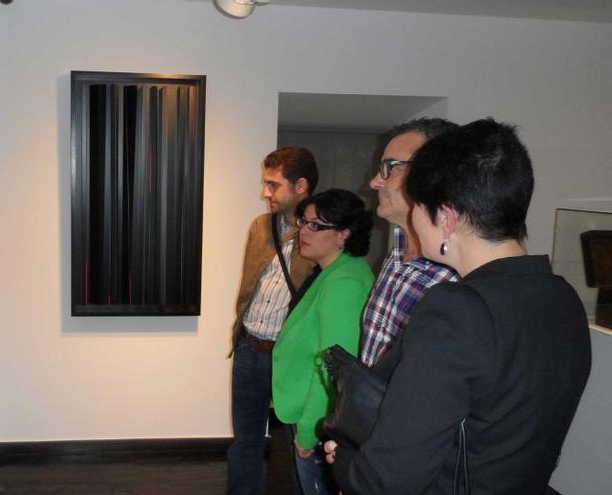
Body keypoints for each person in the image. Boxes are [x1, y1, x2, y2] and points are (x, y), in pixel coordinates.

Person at [324, 119, 592, 494]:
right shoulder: (561, 298)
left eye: (419, 205)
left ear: (446, 218)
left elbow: (387, 481)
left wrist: (346, 461)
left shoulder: (455, 311)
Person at [228, 147, 318, 495]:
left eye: (273, 185)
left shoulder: (323, 234)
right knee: (245, 443)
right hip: (249, 350)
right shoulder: (260, 227)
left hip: (291, 359)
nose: (266, 193)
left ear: (301, 186)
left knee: (297, 446)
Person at [272, 190, 375, 494]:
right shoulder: (333, 272)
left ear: (343, 234)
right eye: (304, 222)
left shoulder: (344, 283)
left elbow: (335, 367)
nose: (303, 230)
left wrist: (308, 431)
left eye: (316, 226)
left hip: (318, 421)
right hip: (307, 410)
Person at [360, 118, 459, 367]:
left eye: (390, 167)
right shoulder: (398, 252)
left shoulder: (455, 274)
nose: (374, 182)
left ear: (434, 174)